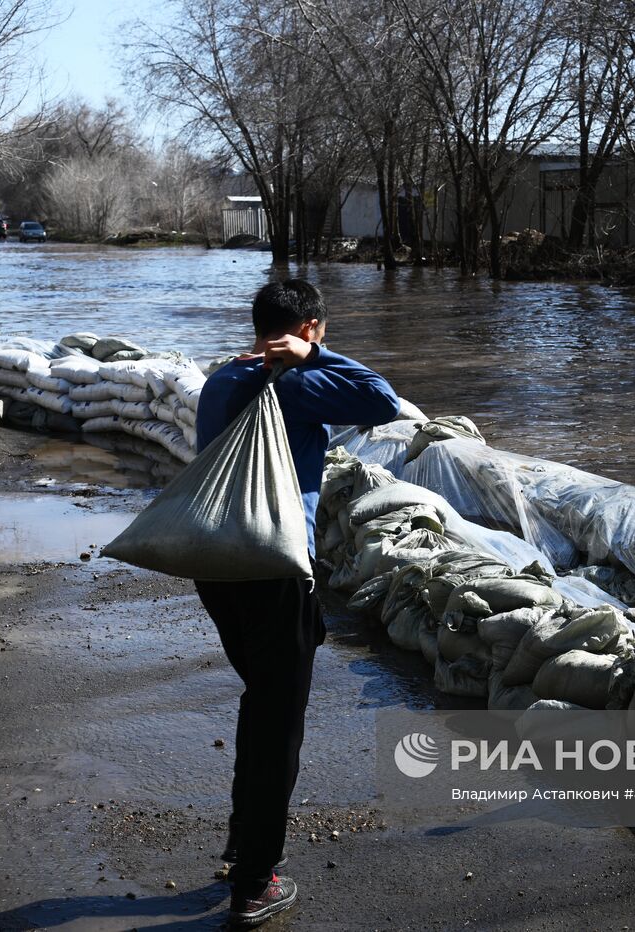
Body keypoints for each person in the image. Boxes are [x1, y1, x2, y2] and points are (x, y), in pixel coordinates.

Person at [194, 279, 400, 927]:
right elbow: (383, 402)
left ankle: (240, 842)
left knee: (261, 701)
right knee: (278, 722)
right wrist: (312, 360)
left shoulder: (222, 380)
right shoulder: (303, 385)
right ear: (310, 328)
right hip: (276, 572)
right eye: (321, 333)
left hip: (217, 568)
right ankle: (256, 882)